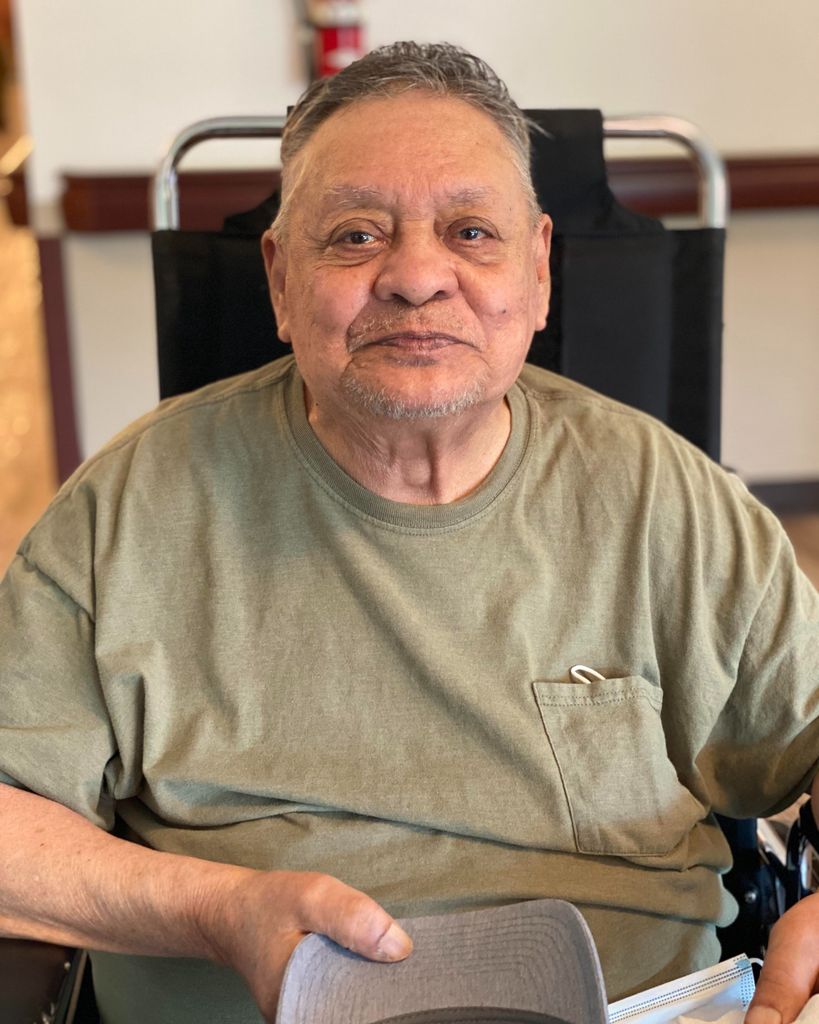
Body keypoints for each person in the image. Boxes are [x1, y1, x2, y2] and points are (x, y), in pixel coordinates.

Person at [0, 41, 817, 1024]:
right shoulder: (128, 511)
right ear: (280, 280)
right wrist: (217, 910)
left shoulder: (666, 502)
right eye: (355, 236)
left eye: (470, 231)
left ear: (538, 269)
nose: (418, 276)